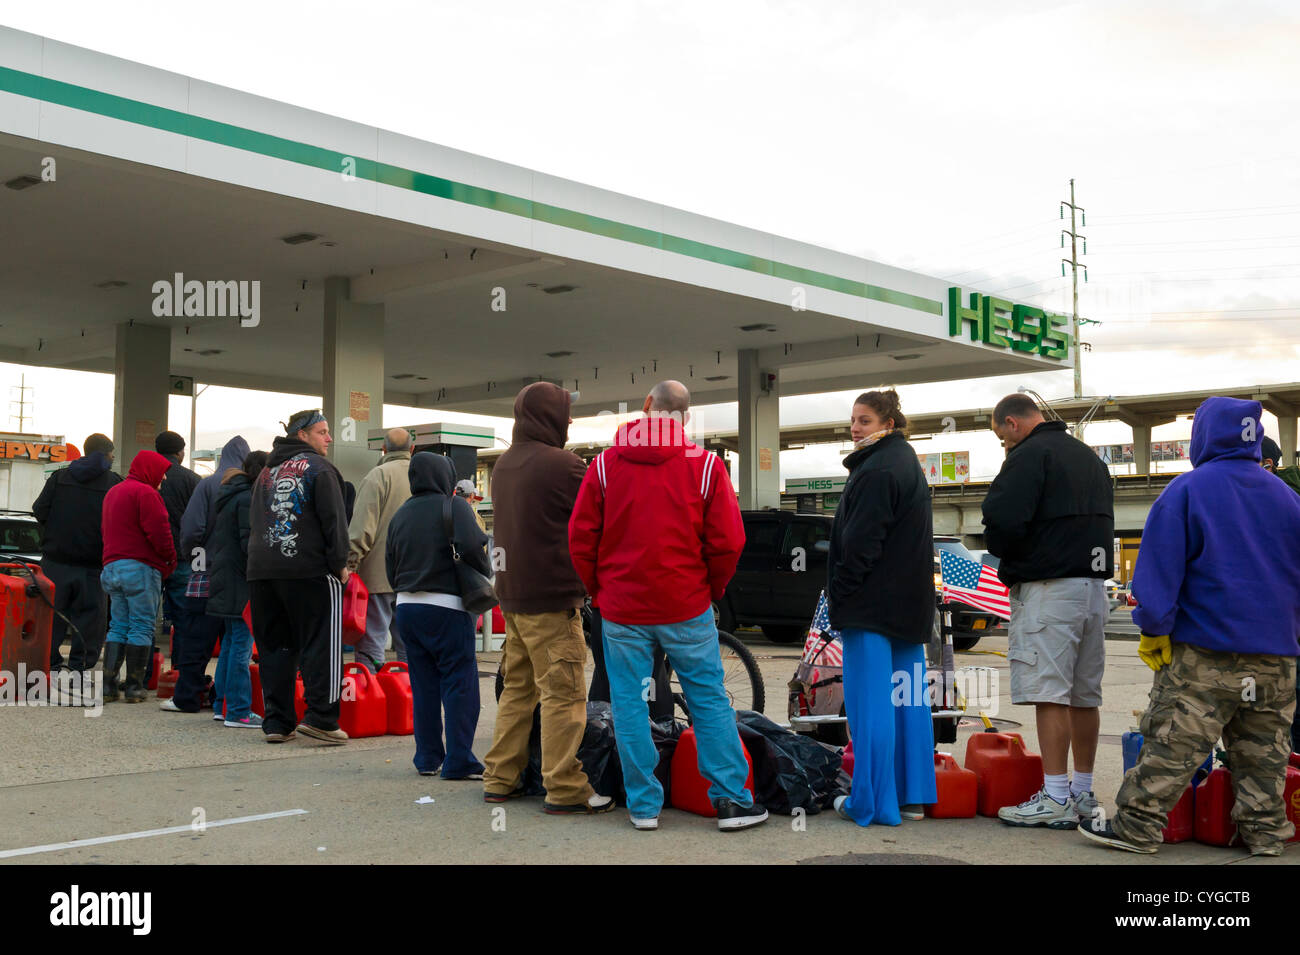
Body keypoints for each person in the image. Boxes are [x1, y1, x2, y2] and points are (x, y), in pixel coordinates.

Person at [1081, 397, 1300, 855]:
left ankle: (1138, 827)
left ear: (1204, 435)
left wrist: (1153, 627)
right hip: (1277, 657)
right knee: (1265, 753)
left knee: (1172, 743)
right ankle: (1265, 834)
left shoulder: (1187, 491)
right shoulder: (1287, 497)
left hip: (1206, 652)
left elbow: (1159, 569)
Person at [569, 380, 764, 832]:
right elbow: (729, 542)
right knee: (709, 699)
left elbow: (580, 538)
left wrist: (599, 590)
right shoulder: (706, 467)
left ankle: (643, 807)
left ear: (645, 409)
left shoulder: (602, 466)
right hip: (686, 605)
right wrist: (710, 589)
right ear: (685, 418)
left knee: (631, 703)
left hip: (622, 609)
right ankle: (732, 801)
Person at [982, 393, 1114, 829]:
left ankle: (1054, 797)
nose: (1005, 445)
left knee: (1049, 692)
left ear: (1014, 424)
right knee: (1083, 694)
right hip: (1093, 589)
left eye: (1003, 437)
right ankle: (1081, 791)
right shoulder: (1089, 459)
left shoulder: (1028, 455)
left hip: (1049, 588)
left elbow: (1002, 521)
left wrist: (1007, 554)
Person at [482, 383, 611, 814]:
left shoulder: (504, 464)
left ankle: (500, 777)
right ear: (548, 417)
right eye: (565, 412)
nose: (570, 420)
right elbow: (604, 517)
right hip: (552, 601)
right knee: (564, 694)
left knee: (518, 691)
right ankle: (565, 787)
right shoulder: (564, 465)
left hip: (513, 599)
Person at [825, 390, 937, 826]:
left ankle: (870, 802)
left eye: (865, 420)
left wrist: (843, 592)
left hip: (870, 607)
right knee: (908, 703)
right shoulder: (907, 462)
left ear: (888, 423)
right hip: (909, 608)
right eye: (853, 419)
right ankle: (911, 797)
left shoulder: (875, 470)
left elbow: (860, 545)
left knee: (871, 705)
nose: (855, 427)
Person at [386, 452, 491, 778]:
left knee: (424, 685)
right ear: (444, 476)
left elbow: (391, 565)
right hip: (448, 607)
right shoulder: (454, 506)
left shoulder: (401, 514)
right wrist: (484, 570)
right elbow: (474, 546)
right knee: (459, 684)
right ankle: (459, 761)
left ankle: (427, 758)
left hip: (407, 608)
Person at [248, 411, 350, 744]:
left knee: (275, 647)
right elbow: (334, 520)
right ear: (302, 435)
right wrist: (340, 564)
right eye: (323, 432)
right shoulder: (320, 470)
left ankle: (277, 722)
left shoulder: (265, 472)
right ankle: (321, 717)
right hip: (310, 570)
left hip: (263, 572)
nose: (329, 438)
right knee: (323, 644)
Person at [167, 436, 250, 716]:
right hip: (237, 579)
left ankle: (188, 696)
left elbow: (191, 529)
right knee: (232, 642)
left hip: (204, 575)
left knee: (196, 639)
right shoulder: (251, 488)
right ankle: (222, 701)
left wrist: (195, 557)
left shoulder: (208, 484)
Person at [33, 433, 121, 679]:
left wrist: (57, 531)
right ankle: (79, 666)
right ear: (105, 454)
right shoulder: (114, 483)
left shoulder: (59, 478)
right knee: (90, 618)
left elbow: (39, 510)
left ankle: (48, 662)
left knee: (51, 615)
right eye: (112, 454)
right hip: (93, 565)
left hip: (55, 562)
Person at [100, 449, 176, 703]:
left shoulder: (114, 492)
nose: (163, 479)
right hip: (140, 568)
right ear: (149, 470)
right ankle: (134, 687)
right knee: (142, 626)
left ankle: (108, 687)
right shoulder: (147, 493)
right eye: (161, 473)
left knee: (118, 625)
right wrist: (170, 558)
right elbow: (160, 532)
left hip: (112, 567)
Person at [205, 450, 269, 728]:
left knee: (230, 645)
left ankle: (222, 706)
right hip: (240, 582)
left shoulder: (231, 496)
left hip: (225, 578)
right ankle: (239, 711)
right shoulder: (248, 499)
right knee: (241, 647)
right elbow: (249, 545)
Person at [347, 428, 413, 672]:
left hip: (377, 576)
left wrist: (350, 564)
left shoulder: (377, 476)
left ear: (384, 449)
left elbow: (362, 527)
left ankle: (369, 699)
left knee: (371, 644)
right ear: (412, 449)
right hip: (414, 578)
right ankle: (408, 701)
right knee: (408, 647)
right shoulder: (423, 475)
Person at [154, 430, 202, 663]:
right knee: (184, 618)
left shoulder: (146, 477)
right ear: (181, 452)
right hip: (183, 559)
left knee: (143, 620)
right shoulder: (192, 480)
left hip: (151, 559)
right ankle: (180, 672)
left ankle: (143, 677)